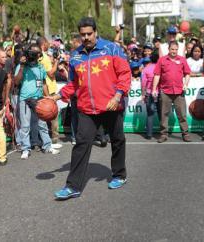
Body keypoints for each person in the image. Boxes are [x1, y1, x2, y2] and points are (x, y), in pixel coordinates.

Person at [52, 17, 131, 200]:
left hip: (112, 105)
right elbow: (73, 84)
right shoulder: (75, 56)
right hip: (87, 108)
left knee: (117, 140)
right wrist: (56, 97)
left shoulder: (111, 48)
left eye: (89, 33)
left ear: (95, 32)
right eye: (82, 35)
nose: (86, 37)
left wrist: (118, 95)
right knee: (81, 144)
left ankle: (119, 175)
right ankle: (73, 186)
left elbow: (125, 74)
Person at [13, 43, 60, 159]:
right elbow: (16, 82)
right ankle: (25, 148)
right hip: (25, 99)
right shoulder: (22, 66)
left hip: (39, 99)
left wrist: (49, 98)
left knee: (42, 124)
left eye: (37, 52)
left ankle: (47, 146)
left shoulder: (40, 67)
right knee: (25, 126)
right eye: (33, 52)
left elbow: (43, 83)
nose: (35, 54)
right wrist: (22, 66)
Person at [152, 41, 191, 143]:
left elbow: (187, 73)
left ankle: (185, 134)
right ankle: (164, 134)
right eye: (172, 49)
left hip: (179, 91)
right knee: (164, 114)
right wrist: (154, 88)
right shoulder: (162, 60)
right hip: (165, 91)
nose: (174, 51)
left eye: (176, 49)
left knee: (182, 114)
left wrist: (186, 84)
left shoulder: (182, 60)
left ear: (178, 50)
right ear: (168, 49)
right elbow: (157, 75)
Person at [37, 37, 62, 149]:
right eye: (47, 43)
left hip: (41, 88)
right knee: (53, 113)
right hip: (48, 88)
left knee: (42, 115)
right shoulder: (45, 58)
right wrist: (56, 62)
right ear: (44, 44)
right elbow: (51, 74)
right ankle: (54, 139)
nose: (48, 45)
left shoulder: (38, 56)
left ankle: (44, 138)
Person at [141, 55, 160, 140]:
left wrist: (143, 94)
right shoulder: (161, 68)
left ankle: (149, 134)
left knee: (150, 114)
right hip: (160, 93)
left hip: (149, 93)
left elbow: (143, 83)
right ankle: (164, 133)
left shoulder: (146, 69)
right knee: (162, 114)